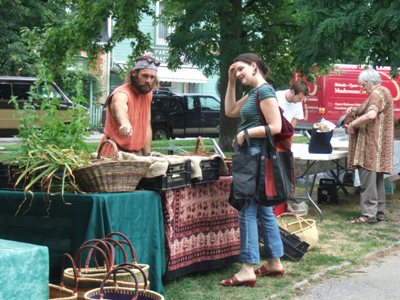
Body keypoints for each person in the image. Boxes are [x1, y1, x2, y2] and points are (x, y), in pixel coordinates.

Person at [220, 53, 284, 287]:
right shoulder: (252, 93)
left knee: (246, 208)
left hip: (253, 156)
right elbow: (229, 111)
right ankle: (275, 261)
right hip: (254, 157)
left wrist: (245, 133)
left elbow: (275, 126)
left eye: (241, 70)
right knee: (265, 210)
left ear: (254, 66)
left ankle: (247, 268)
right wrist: (231, 82)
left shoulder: (265, 92)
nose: (238, 73)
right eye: (235, 70)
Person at [345, 67, 394, 224]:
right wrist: (354, 110)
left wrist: (353, 123)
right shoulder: (384, 92)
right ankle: (378, 213)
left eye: (363, 85)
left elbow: (371, 114)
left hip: (370, 145)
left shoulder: (376, 94)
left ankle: (368, 215)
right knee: (377, 181)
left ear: (369, 83)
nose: (362, 89)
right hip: (379, 146)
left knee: (367, 182)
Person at [100, 54, 159, 156]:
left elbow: (146, 125)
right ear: (134, 73)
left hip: (137, 154)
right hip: (114, 154)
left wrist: (147, 155)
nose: (148, 81)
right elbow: (120, 107)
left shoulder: (148, 94)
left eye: (152, 77)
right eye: (145, 76)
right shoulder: (121, 93)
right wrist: (125, 123)